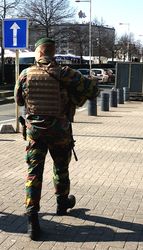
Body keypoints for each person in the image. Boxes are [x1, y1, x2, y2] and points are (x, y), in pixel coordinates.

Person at [14, 37, 99, 240]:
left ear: (40, 53)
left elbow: (18, 99)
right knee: (61, 167)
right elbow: (92, 90)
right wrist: (72, 95)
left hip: (35, 132)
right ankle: (62, 203)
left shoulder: (25, 74)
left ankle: (32, 219)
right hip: (60, 131)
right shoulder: (65, 73)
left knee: (34, 173)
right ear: (51, 52)